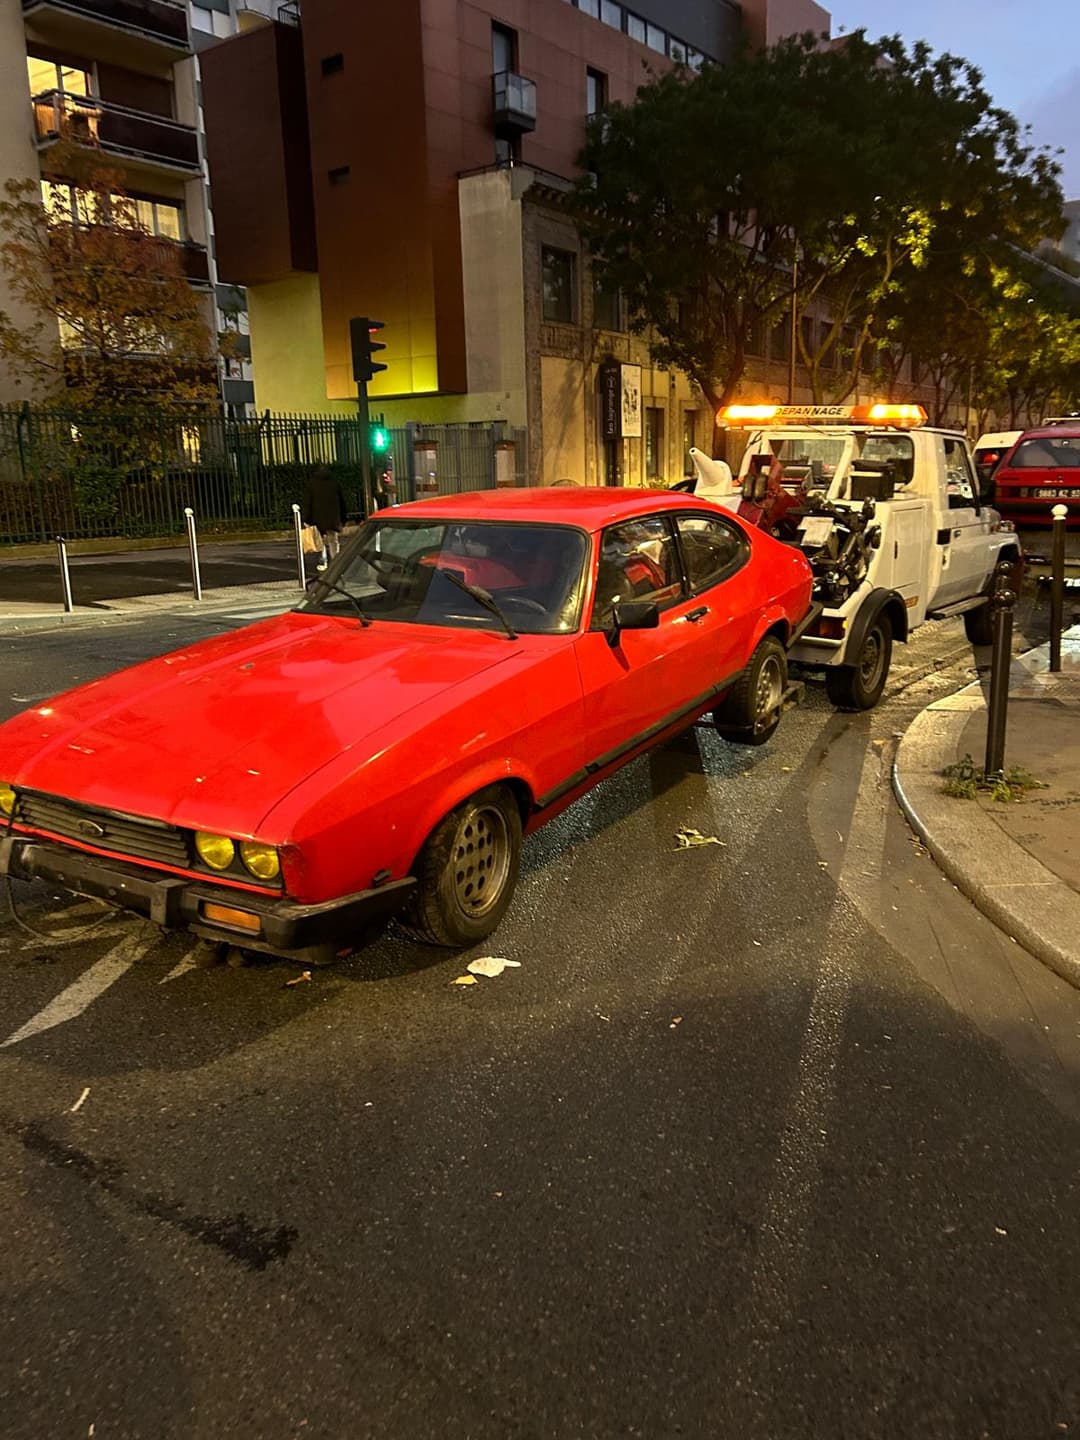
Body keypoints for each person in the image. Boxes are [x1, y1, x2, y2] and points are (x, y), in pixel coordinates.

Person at [302, 465, 348, 571]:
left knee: (320, 540)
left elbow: (308, 502)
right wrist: (343, 518)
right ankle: (335, 561)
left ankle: (323, 561)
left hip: (317, 517)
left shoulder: (312, 484)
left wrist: (306, 519)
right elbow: (342, 502)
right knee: (333, 540)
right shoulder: (334, 483)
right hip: (333, 517)